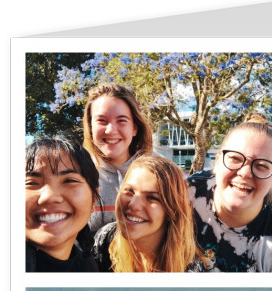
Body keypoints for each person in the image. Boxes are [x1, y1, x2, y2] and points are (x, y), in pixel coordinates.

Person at [188, 113, 272, 272]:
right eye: (235, 159)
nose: (245, 173)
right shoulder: (184, 193)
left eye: (261, 165)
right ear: (217, 162)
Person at [93, 156, 206, 272]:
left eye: (152, 198)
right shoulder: (104, 240)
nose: (133, 205)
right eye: (129, 191)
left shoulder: (191, 269)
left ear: (172, 210)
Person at [83, 82, 153, 233]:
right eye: (101, 120)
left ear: (134, 128)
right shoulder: (78, 176)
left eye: (121, 120)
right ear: (90, 127)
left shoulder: (158, 173)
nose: (111, 130)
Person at [26, 134, 101, 272]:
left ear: (94, 200)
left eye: (69, 181)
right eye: (31, 183)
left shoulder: (88, 267)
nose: (49, 196)